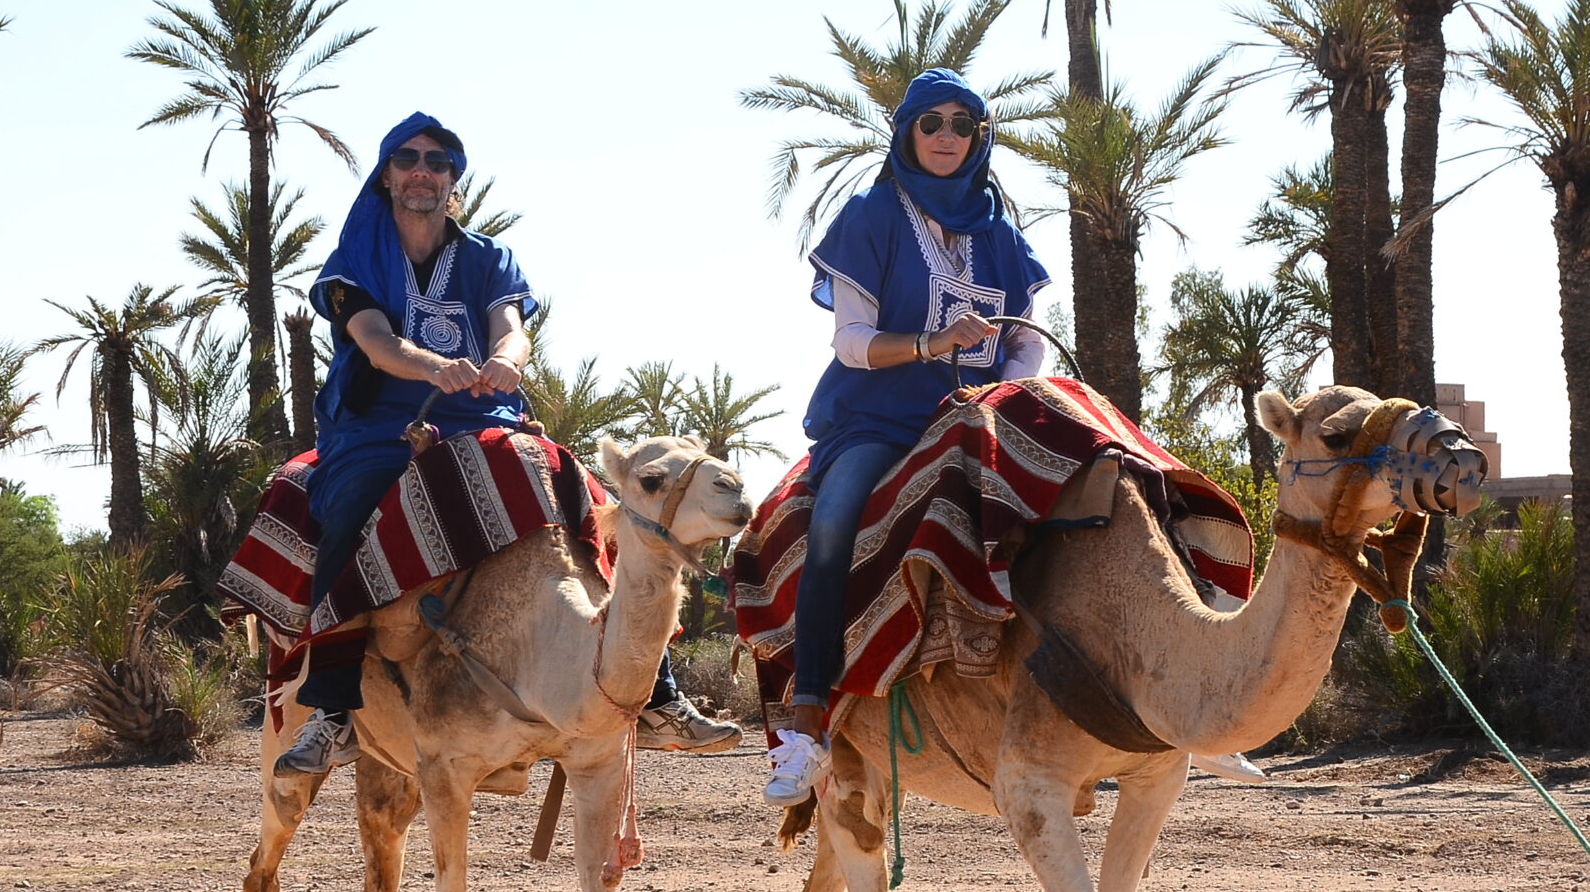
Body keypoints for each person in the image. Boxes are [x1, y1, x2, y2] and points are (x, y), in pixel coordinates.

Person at [275, 112, 730, 774]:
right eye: (407, 158)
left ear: (453, 178)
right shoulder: (356, 257)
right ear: (387, 175)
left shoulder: (488, 257)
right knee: (347, 512)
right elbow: (372, 341)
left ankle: (657, 693)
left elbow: (511, 327)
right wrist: (432, 366)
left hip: (487, 419)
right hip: (382, 427)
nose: (422, 170)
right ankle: (336, 710)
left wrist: (509, 360)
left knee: (596, 502)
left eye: (438, 160)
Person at [767, 69, 1052, 804]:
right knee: (832, 525)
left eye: (963, 124)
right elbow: (854, 344)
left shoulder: (1002, 235)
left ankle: (1126, 703)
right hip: (880, 420)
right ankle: (807, 723)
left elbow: (1027, 341)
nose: (948, 137)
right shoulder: (871, 218)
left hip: (982, 417)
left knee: (1087, 500)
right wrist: (934, 344)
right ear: (907, 133)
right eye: (933, 123)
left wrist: (1009, 384)